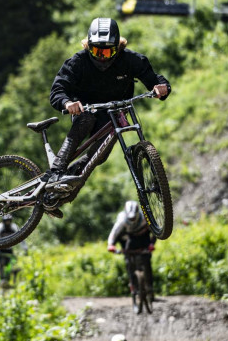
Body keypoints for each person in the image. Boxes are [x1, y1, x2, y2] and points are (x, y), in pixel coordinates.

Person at [44, 17, 171, 216]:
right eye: (96, 51)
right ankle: (56, 171)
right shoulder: (78, 62)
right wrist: (68, 103)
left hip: (113, 113)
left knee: (98, 157)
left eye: (107, 51)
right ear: (88, 47)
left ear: (117, 47)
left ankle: (60, 195)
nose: (102, 57)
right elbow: (58, 89)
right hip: (86, 110)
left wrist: (161, 87)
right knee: (86, 119)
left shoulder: (131, 60)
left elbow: (154, 79)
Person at [107, 200, 156, 297]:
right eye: (130, 218)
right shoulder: (121, 220)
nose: (132, 220)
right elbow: (114, 233)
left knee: (147, 260)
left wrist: (151, 244)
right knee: (129, 262)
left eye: (134, 218)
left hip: (144, 237)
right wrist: (111, 245)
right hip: (128, 238)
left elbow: (155, 232)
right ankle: (134, 286)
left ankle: (150, 287)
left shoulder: (146, 218)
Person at [0, 215, 27, 285]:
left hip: (9, 249)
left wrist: (25, 249)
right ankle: (2, 279)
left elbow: (21, 238)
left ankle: (8, 279)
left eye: (9, 221)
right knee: (2, 262)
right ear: (3, 222)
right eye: (6, 221)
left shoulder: (14, 227)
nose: (7, 223)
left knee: (11, 263)